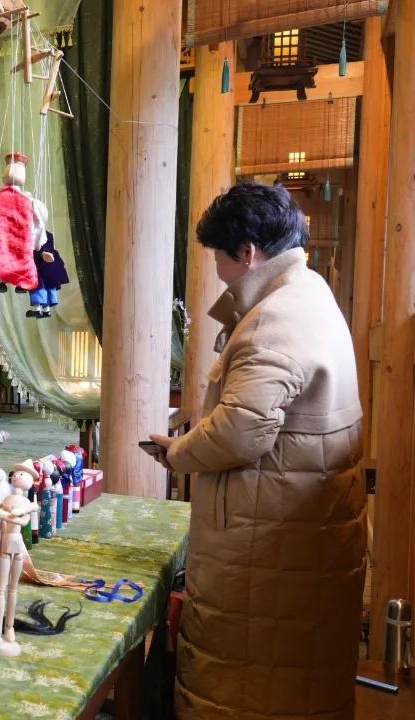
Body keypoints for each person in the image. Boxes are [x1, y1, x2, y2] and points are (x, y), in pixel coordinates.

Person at [146, 182, 364, 720]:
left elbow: (241, 431)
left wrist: (178, 452)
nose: (218, 271)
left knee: (245, 688)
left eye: (218, 257)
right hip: (298, 528)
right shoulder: (310, 291)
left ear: (247, 252)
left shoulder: (273, 319)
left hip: (264, 541)